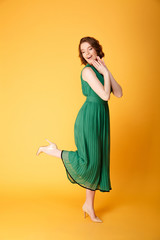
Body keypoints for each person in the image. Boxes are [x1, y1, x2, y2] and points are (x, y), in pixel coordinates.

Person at [36, 36, 123, 223]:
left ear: (97, 49)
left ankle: (88, 206)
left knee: (96, 163)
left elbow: (119, 92)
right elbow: (105, 96)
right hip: (89, 119)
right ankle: (54, 151)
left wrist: (106, 70)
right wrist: (105, 74)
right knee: (88, 162)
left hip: (101, 119)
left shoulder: (100, 69)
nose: (87, 54)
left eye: (90, 49)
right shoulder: (87, 72)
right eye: (83, 52)